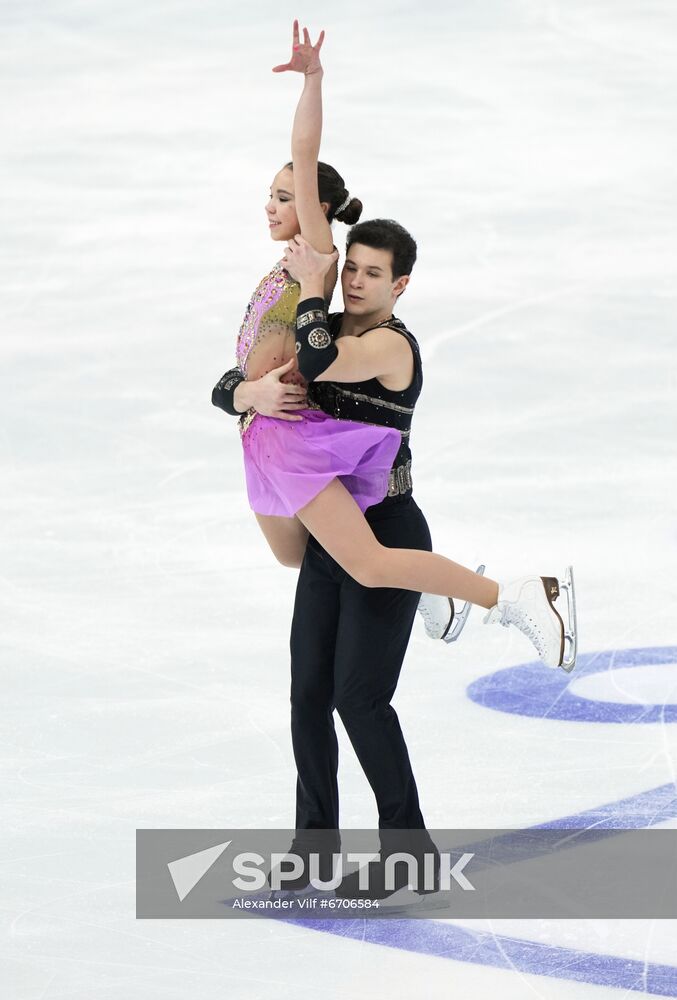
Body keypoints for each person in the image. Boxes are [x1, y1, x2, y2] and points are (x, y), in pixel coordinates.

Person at [211, 24, 577, 898]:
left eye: (285, 195)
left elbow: (306, 154)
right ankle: (313, 845)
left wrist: (313, 80)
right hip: (297, 464)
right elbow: (244, 370)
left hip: (344, 484)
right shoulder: (314, 292)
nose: (274, 202)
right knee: (307, 680)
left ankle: (495, 596)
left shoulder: (336, 286)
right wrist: (242, 395)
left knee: (359, 665)